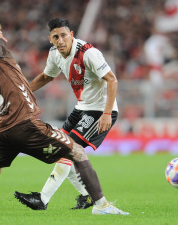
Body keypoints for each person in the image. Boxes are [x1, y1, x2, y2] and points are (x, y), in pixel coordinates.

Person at [0, 22, 129, 215]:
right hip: (23, 125)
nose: (3, 37)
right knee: (76, 151)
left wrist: (23, 91)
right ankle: (100, 205)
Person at [14, 18, 119, 210]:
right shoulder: (54, 53)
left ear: (71, 35)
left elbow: (112, 80)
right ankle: (87, 196)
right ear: (50, 39)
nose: (60, 40)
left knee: (68, 149)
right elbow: (47, 76)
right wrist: (23, 94)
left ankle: (42, 199)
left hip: (100, 110)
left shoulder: (89, 53)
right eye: (56, 37)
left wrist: (106, 113)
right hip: (82, 108)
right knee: (61, 149)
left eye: (64, 35)